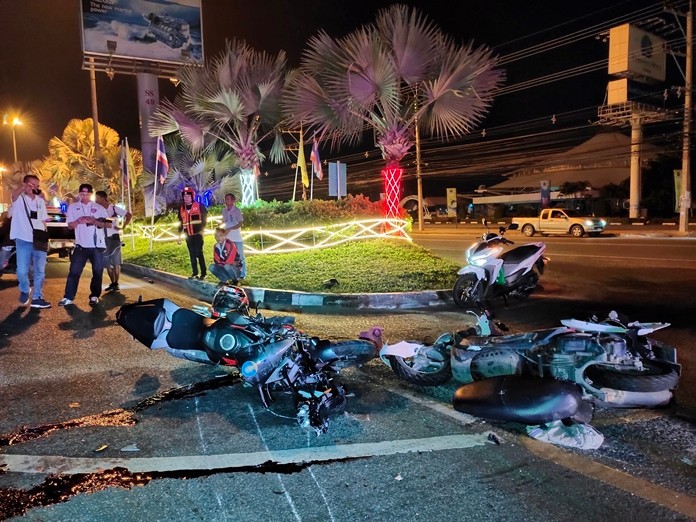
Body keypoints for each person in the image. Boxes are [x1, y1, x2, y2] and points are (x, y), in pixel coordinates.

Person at [58, 183, 110, 307]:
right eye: (82, 194)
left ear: (91, 194)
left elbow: (108, 225)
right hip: (81, 246)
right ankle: (68, 297)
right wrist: (78, 221)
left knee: (97, 272)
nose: (85, 197)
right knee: (74, 272)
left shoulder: (99, 208)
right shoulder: (73, 207)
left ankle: (94, 295)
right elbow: (70, 225)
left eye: (87, 194)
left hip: (97, 246)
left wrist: (94, 221)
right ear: (79, 193)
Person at [7, 174, 51, 308]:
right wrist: (23, 188)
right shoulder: (18, 199)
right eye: (32, 185)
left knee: (40, 271)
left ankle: (38, 297)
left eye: (37, 185)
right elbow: (13, 196)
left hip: (39, 239)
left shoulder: (40, 201)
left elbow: (43, 220)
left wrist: (46, 238)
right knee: (21, 271)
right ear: (25, 185)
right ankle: (25, 289)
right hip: (23, 239)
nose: (35, 188)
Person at [95, 190, 132, 292]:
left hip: (114, 238)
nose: (96, 200)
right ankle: (113, 283)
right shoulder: (97, 209)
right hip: (103, 238)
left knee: (116, 262)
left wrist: (123, 226)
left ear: (102, 198)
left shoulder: (114, 208)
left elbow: (129, 215)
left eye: (97, 198)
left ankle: (116, 283)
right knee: (106, 262)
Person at [178, 186, 207, 279]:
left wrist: (202, 229)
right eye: (184, 196)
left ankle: (203, 273)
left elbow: (204, 218)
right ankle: (195, 273)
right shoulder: (182, 209)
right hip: (188, 235)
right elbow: (180, 223)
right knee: (192, 254)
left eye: (188, 196)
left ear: (192, 196)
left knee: (199, 253)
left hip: (197, 235)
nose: (186, 198)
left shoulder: (199, 206)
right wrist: (179, 235)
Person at [222, 192, 246, 278]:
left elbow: (240, 223)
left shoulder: (237, 210)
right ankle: (231, 273)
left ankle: (242, 274)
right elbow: (224, 222)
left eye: (228, 199)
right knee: (229, 256)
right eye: (226, 199)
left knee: (240, 256)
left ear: (233, 200)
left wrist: (231, 228)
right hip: (227, 238)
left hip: (237, 238)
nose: (227, 201)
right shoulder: (224, 211)